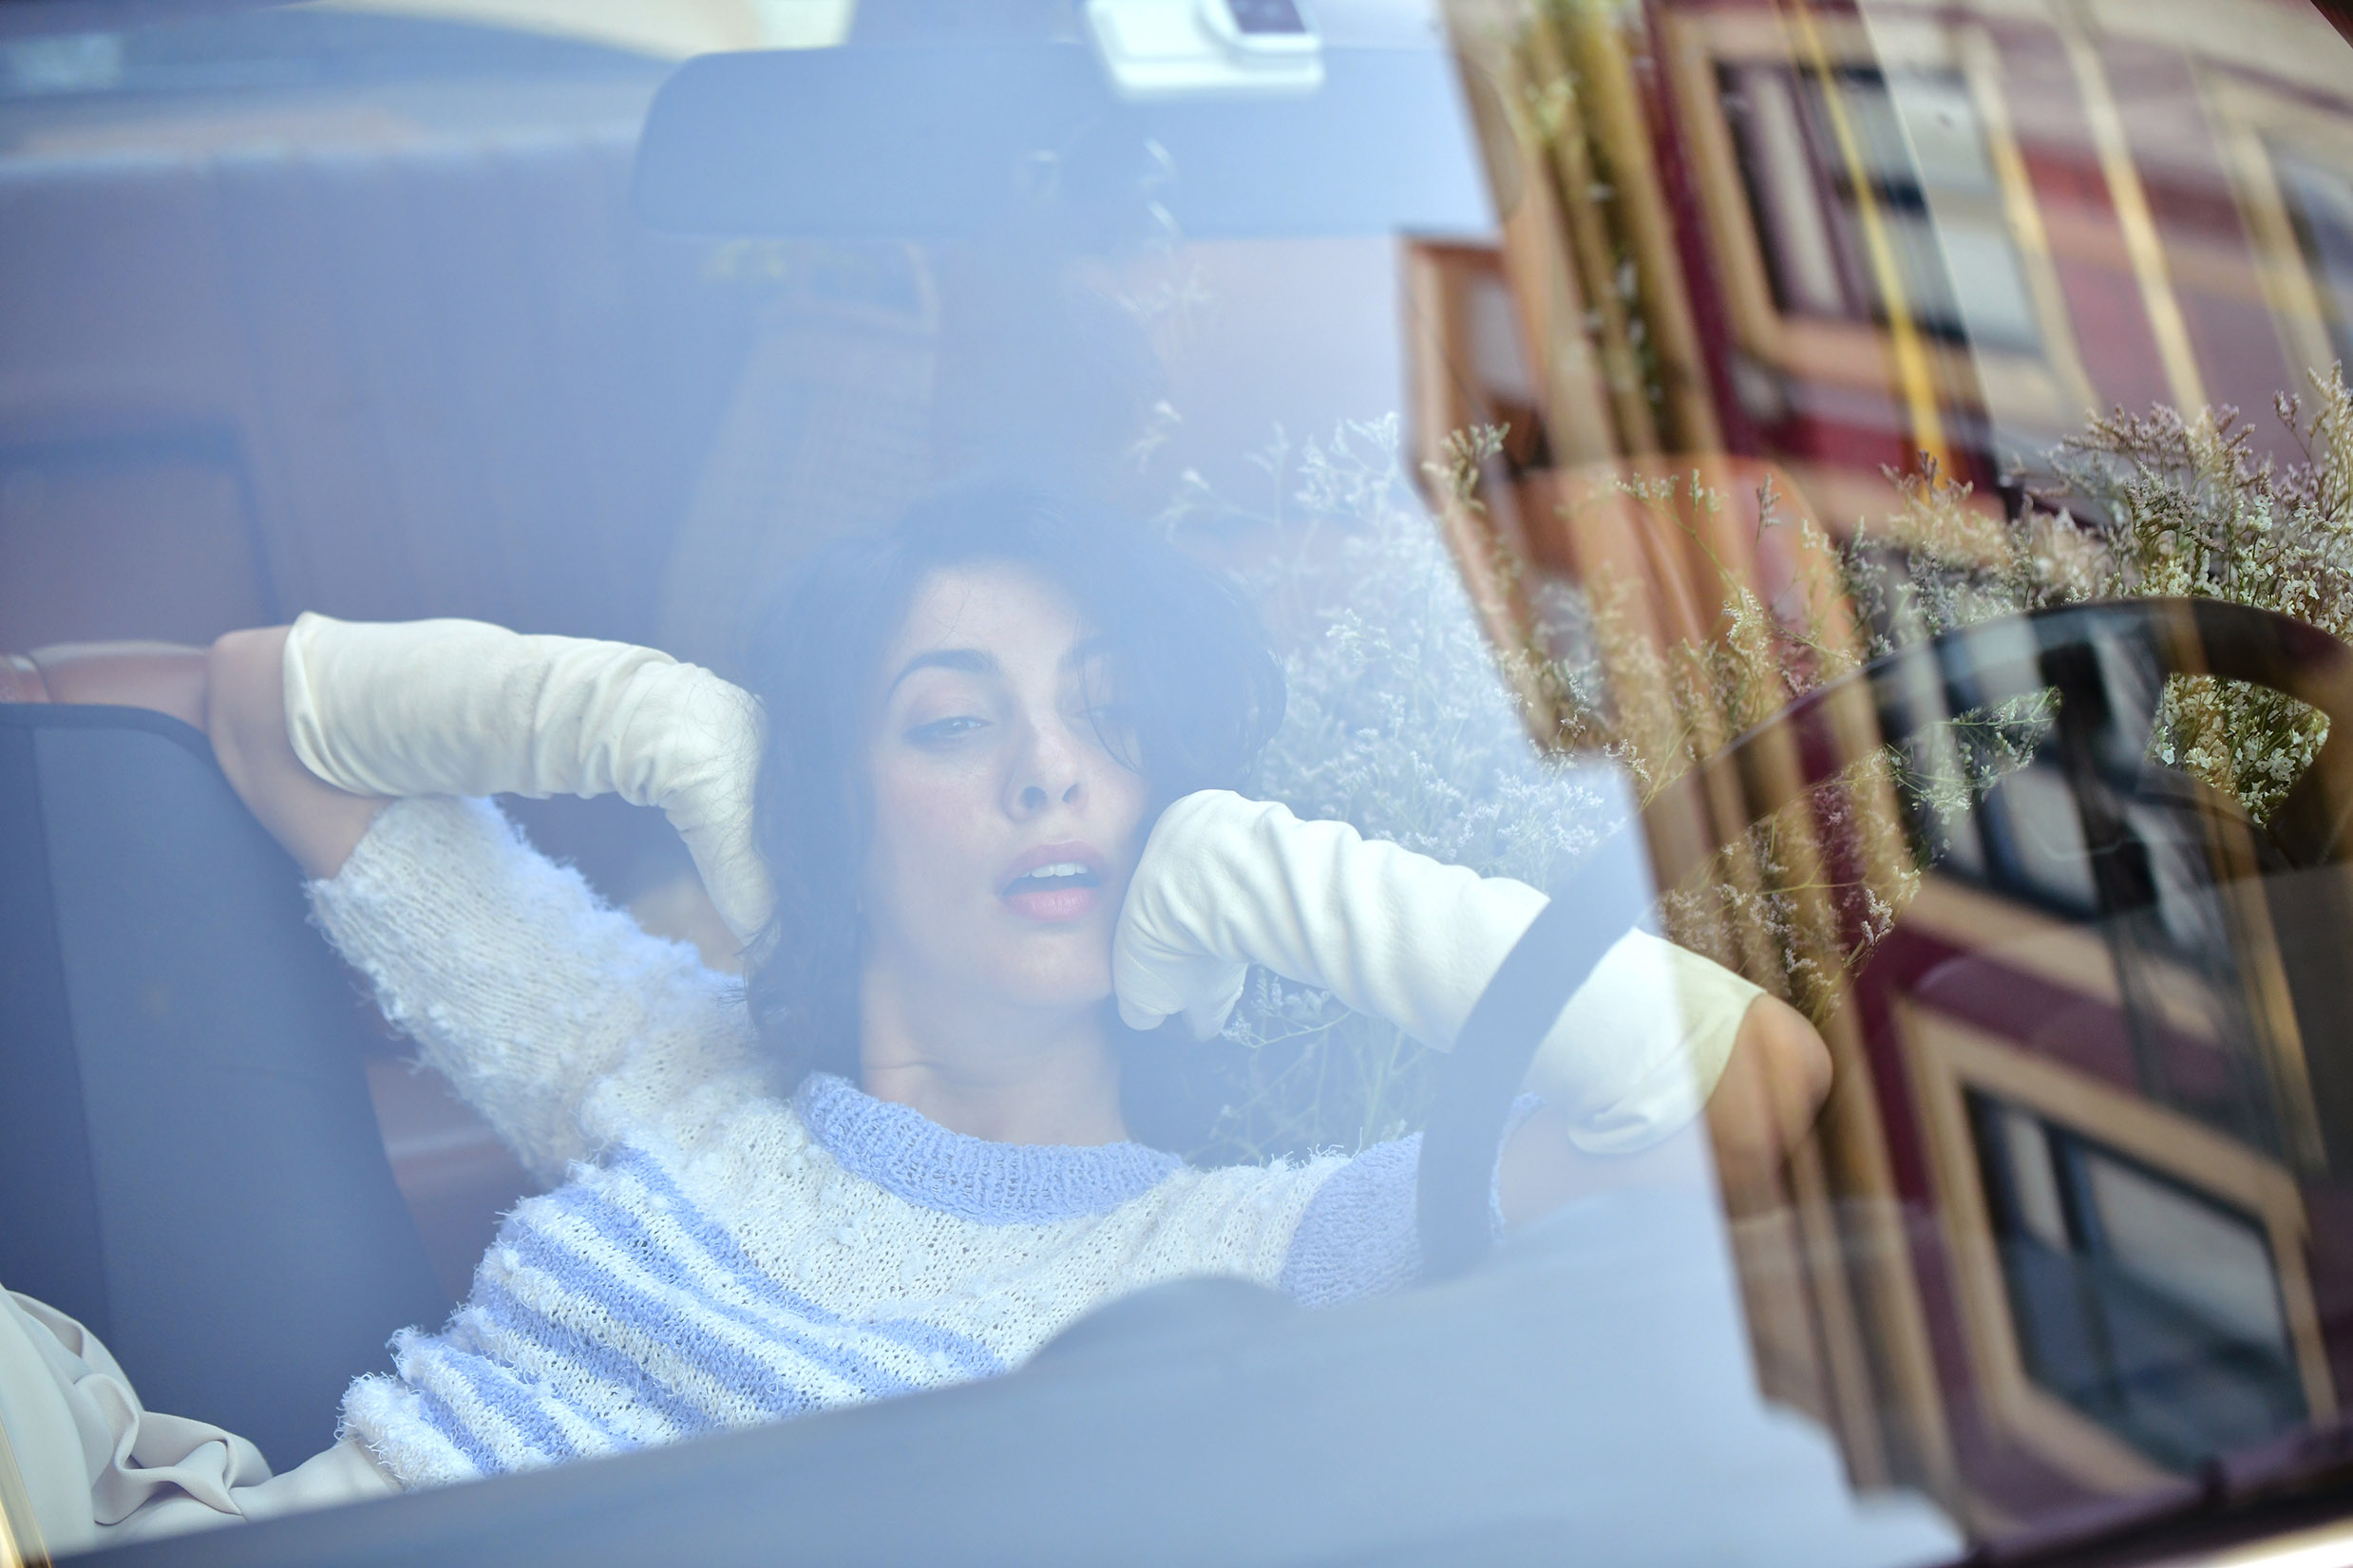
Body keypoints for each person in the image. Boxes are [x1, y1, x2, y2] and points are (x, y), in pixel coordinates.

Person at [0, 484, 1831, 1549]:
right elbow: (258, 712)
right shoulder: (659, 1056)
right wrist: (659, 729)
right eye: (954, 724)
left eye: (1110, 723)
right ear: (834, 814)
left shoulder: (1248, 1253)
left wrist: (1267, 872)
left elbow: (1745, 1091)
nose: (1050, 772)